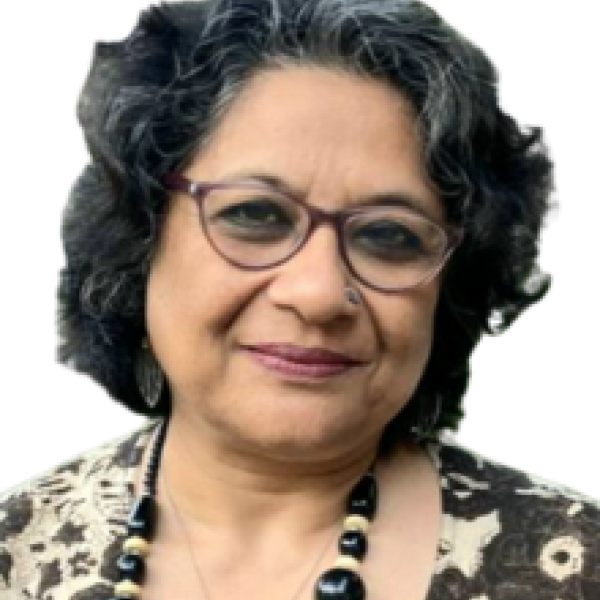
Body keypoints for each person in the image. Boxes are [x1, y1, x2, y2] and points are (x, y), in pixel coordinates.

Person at [3, 0, 597, 598]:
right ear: (138, 239)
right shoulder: (14, 550)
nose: (317, 295)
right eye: (254, 214)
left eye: (389, 234)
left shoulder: (576, 566)